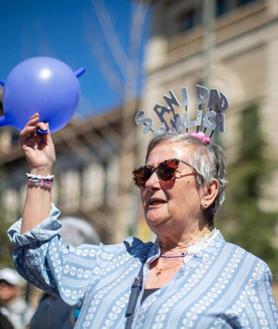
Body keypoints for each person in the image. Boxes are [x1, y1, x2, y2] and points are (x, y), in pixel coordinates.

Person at [7, 112, 278, 328]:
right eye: (143, 174)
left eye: (167, 171)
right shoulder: (114, 261)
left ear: (208, 191)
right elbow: (37, 257)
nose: (150, 183)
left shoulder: (243, 272)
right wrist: (41, 170)